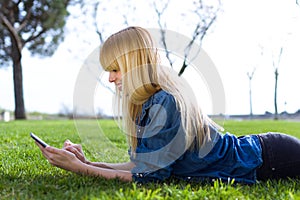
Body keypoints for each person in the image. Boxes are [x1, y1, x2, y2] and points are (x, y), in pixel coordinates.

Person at [35, 26, 300, 184]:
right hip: (263, 148)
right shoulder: (145, 103)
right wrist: (88, 162)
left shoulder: (165, 102)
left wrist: (80, 168)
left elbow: (148, 179)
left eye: (116, 69)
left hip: (272, 157)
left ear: (134, 65)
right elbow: (141, 167)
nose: (110, 78)